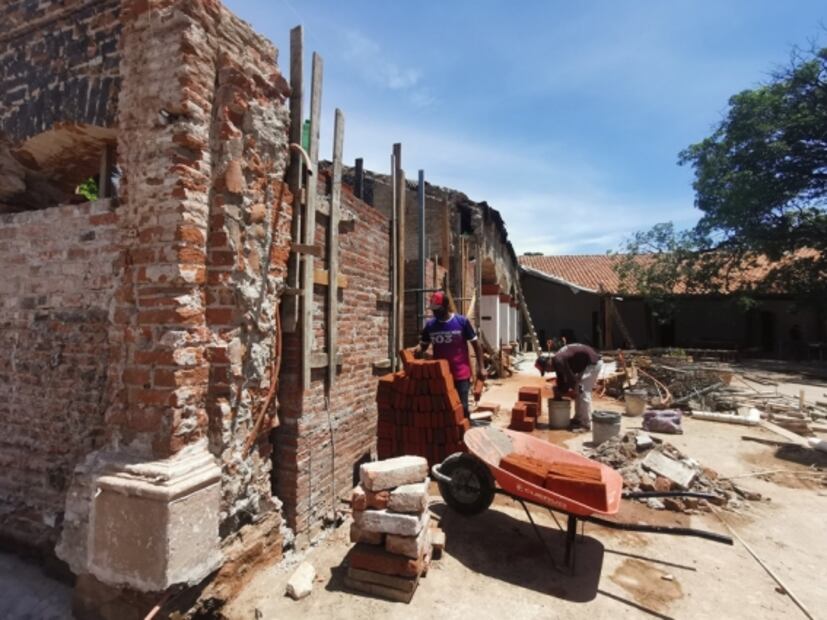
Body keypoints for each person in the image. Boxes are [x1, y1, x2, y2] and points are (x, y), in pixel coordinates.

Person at [417, 290, 486, 419]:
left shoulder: (462, 322)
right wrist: (417, 348)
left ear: (446, 306)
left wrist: (481, 367)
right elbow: (424, 345)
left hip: (461, 374)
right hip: (440, 375)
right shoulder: (430, 325)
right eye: (433, 309)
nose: (434, 312)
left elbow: (477, 345)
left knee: (462, 408)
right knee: (443, 410)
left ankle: (463, 435)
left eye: (437, 309)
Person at [535, 343, 603, 431]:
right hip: (586, 364)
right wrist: (560, 390)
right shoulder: (557, 361)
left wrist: (564, 391)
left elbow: (571, 379)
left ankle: (586, 424)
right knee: (579, 390)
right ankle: (578, 419)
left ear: (547, 364)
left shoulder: (559, 361)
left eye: (546, 370)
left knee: (583, 391)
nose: (548, 372)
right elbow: (561, 379)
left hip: (593, 363)